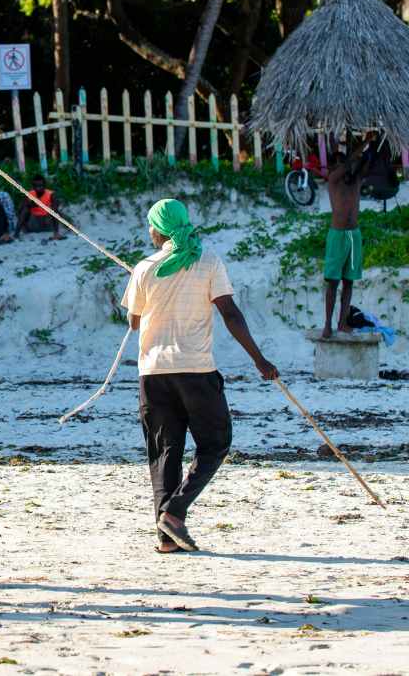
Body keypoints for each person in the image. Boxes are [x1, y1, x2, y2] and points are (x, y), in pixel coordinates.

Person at [121, 199, 278, 554]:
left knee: (164, 453)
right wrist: (259, 360)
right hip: (196, 372)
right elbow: (230, 313)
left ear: (159, 229)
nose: (150, 231)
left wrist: (142, 289)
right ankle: (174, 516)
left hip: (154, 374)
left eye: (151, 226)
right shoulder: (207, 261)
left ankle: (167, 533)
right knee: (216, 443)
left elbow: (134, 322)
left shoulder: (144, 268)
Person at [321, 134, 376, 339]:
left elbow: (363, 162)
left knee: (349, 281)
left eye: (344, 163)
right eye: (339, 164)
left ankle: (342, 322)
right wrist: (364, 142)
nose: (343, 167)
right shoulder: (334, 180)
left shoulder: (356, 180)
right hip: (337, 237)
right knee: (333, 282)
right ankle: (327, 324)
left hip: (354, 236)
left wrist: (372, 146)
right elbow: (352, 160)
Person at [14, 174, 65, 241]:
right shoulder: (29, 194)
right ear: (33, 186)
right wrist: (29, 205)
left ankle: (56, 233)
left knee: (54, 210)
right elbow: (19, 210)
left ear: (44, 186)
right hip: (33, 223)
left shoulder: (51, 194)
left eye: (40, 186)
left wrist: (48, 212)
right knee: (25, 209)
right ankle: (16, 234)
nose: (38, 188)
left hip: (47, 223)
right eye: (36, 186)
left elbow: (56, 207)